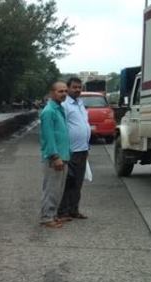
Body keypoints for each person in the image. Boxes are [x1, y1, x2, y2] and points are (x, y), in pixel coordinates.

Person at [58, 77, 91, 222]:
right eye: (74, 87)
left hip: (83, 150)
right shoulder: (65, 105)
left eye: (80, 87)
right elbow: (60, 128)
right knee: (67, 182)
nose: (78, 90)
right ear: (68, 88)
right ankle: (62, 211)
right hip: (70, 151)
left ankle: (74, 210)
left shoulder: (80, 104)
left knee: (78, 183)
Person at [39, 81, 71, 229]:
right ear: (52, 93)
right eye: (60, 91)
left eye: (65, 91)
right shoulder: (49, 111)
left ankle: (52, 214)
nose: (64, 93)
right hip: (55, 157)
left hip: (63, 155)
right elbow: (48, 136)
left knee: (58, 188)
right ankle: (46, 217)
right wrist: (55, 156)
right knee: (51, 188)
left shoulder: (59, 109)